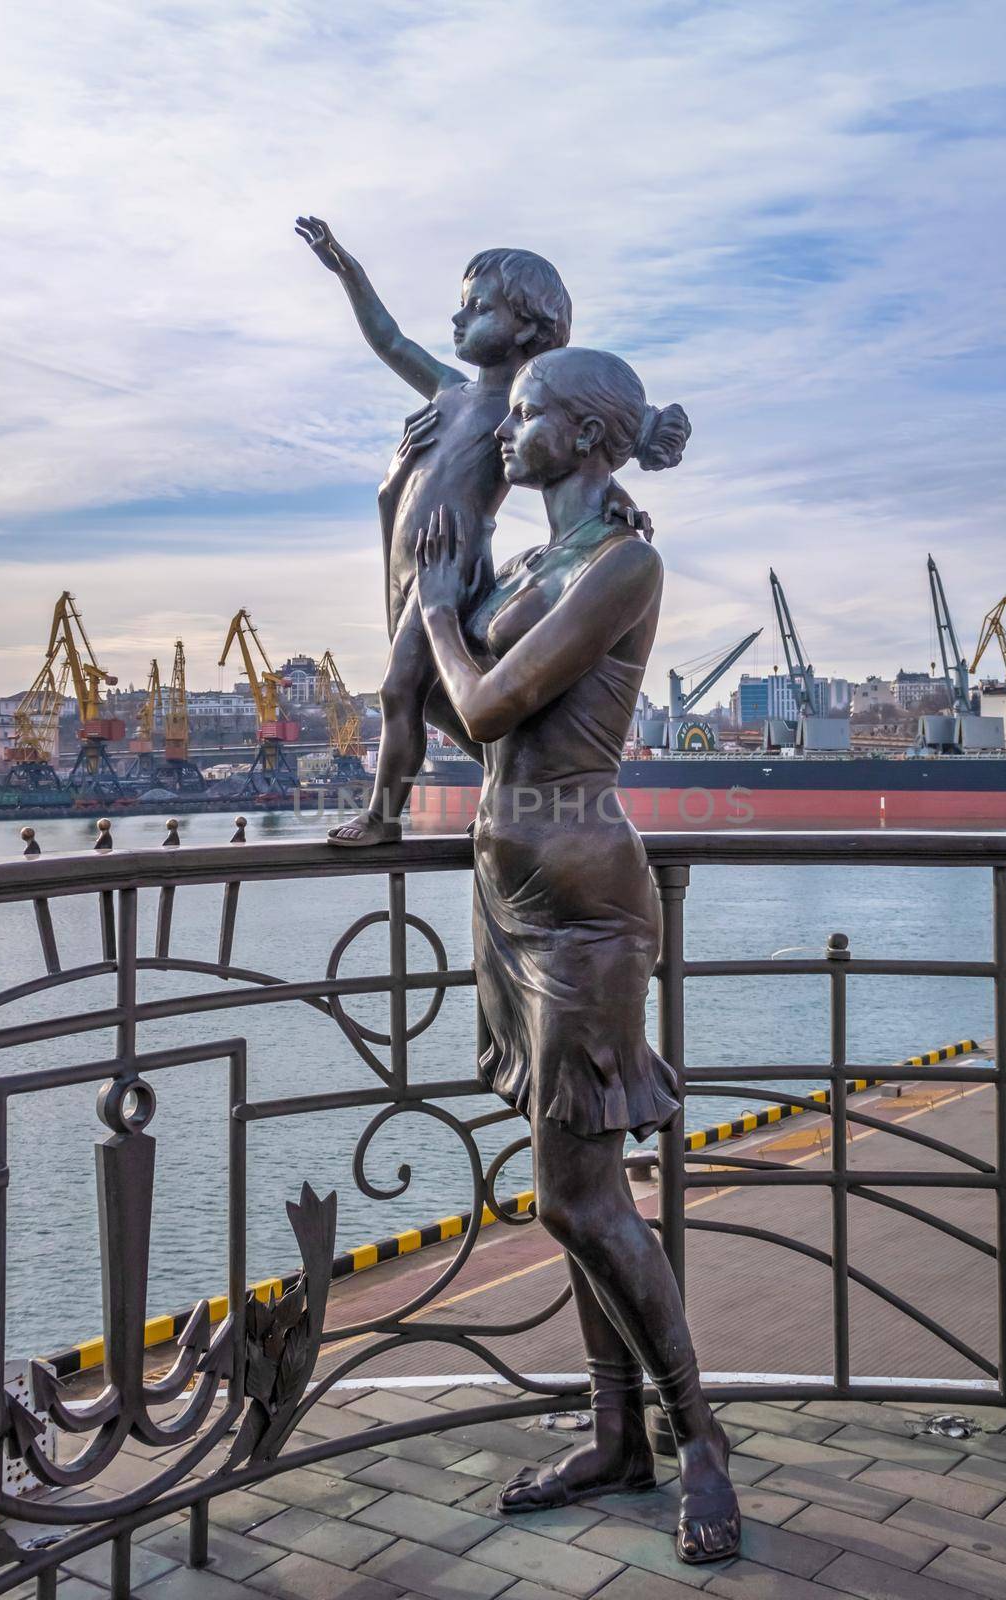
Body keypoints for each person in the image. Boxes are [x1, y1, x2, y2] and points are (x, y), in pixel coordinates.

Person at [412, 347, 740, 1566]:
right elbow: (454, 705)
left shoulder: (621, 562)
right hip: (509, 893)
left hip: (589, 904)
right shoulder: (540, 562)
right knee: (580, 1189)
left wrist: (444, 610)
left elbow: (489, 707)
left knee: (573, 1194)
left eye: (535, 411)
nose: (511, 426)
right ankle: (616, 1438)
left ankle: (696, 1436)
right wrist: (433, 586)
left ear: (593, 435)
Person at [294, 220, 572, 845]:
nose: (458, 319)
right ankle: (516, 786)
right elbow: (390, 340)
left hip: (446, 564)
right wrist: (349, 273)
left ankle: (382, 818)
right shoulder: (451, 392)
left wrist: (624, 494)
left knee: (399, 690)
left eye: (479, 309)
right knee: (438, 703)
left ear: (527, 326)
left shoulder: (519, 409)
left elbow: (589, 444)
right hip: (403, 566)